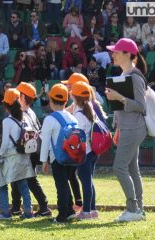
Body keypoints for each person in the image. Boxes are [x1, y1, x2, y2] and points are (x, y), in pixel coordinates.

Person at [105, 38, 147, 222]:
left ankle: (133, 209)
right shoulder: (125, 74)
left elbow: (141, 106)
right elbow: (122, 108)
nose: (112, 54)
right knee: (132, 168)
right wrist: (117, 126)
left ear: (127, 54)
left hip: (134, 128)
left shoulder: (135, 76)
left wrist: (119, 97)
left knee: (119, 167)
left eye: (116, 51)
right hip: (127, 128)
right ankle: (139, 210)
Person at [0, 88, 35, 220]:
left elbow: (4, 143)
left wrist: (0, 154)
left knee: (2, 185)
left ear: (6, 106)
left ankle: (4, 213)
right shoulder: (25, 118)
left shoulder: (7, 121)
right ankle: (28, 212)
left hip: (10, 156)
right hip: (24, 155)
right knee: (23, 185)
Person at [11, 82, 51, 217]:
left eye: (18, 95)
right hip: (33, 150)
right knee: (18, 178)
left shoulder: (20, 113)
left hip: (27, 152)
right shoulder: (31, 111)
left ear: (22, 96)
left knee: (30, 179)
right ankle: (16, 207)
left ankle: (44, 206)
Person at [40, 83, 77, 223]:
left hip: (58, 157)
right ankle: (70, 210)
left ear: (50, 100)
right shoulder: (72, 117)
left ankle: (62, 215)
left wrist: (44, 161)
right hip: (72, 156)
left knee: (61, 185)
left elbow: (45, 143)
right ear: (66, 101)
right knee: (65, 183)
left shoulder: (50, 119)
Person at [71, 81, 98, 220]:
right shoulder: (90, 109)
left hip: (84, 153)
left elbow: (77, 135)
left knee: (86, 182)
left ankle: (86, 211)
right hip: (92, 151)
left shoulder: (79, 114)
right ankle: (92, 210)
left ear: (76, 97)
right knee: (89, 181)